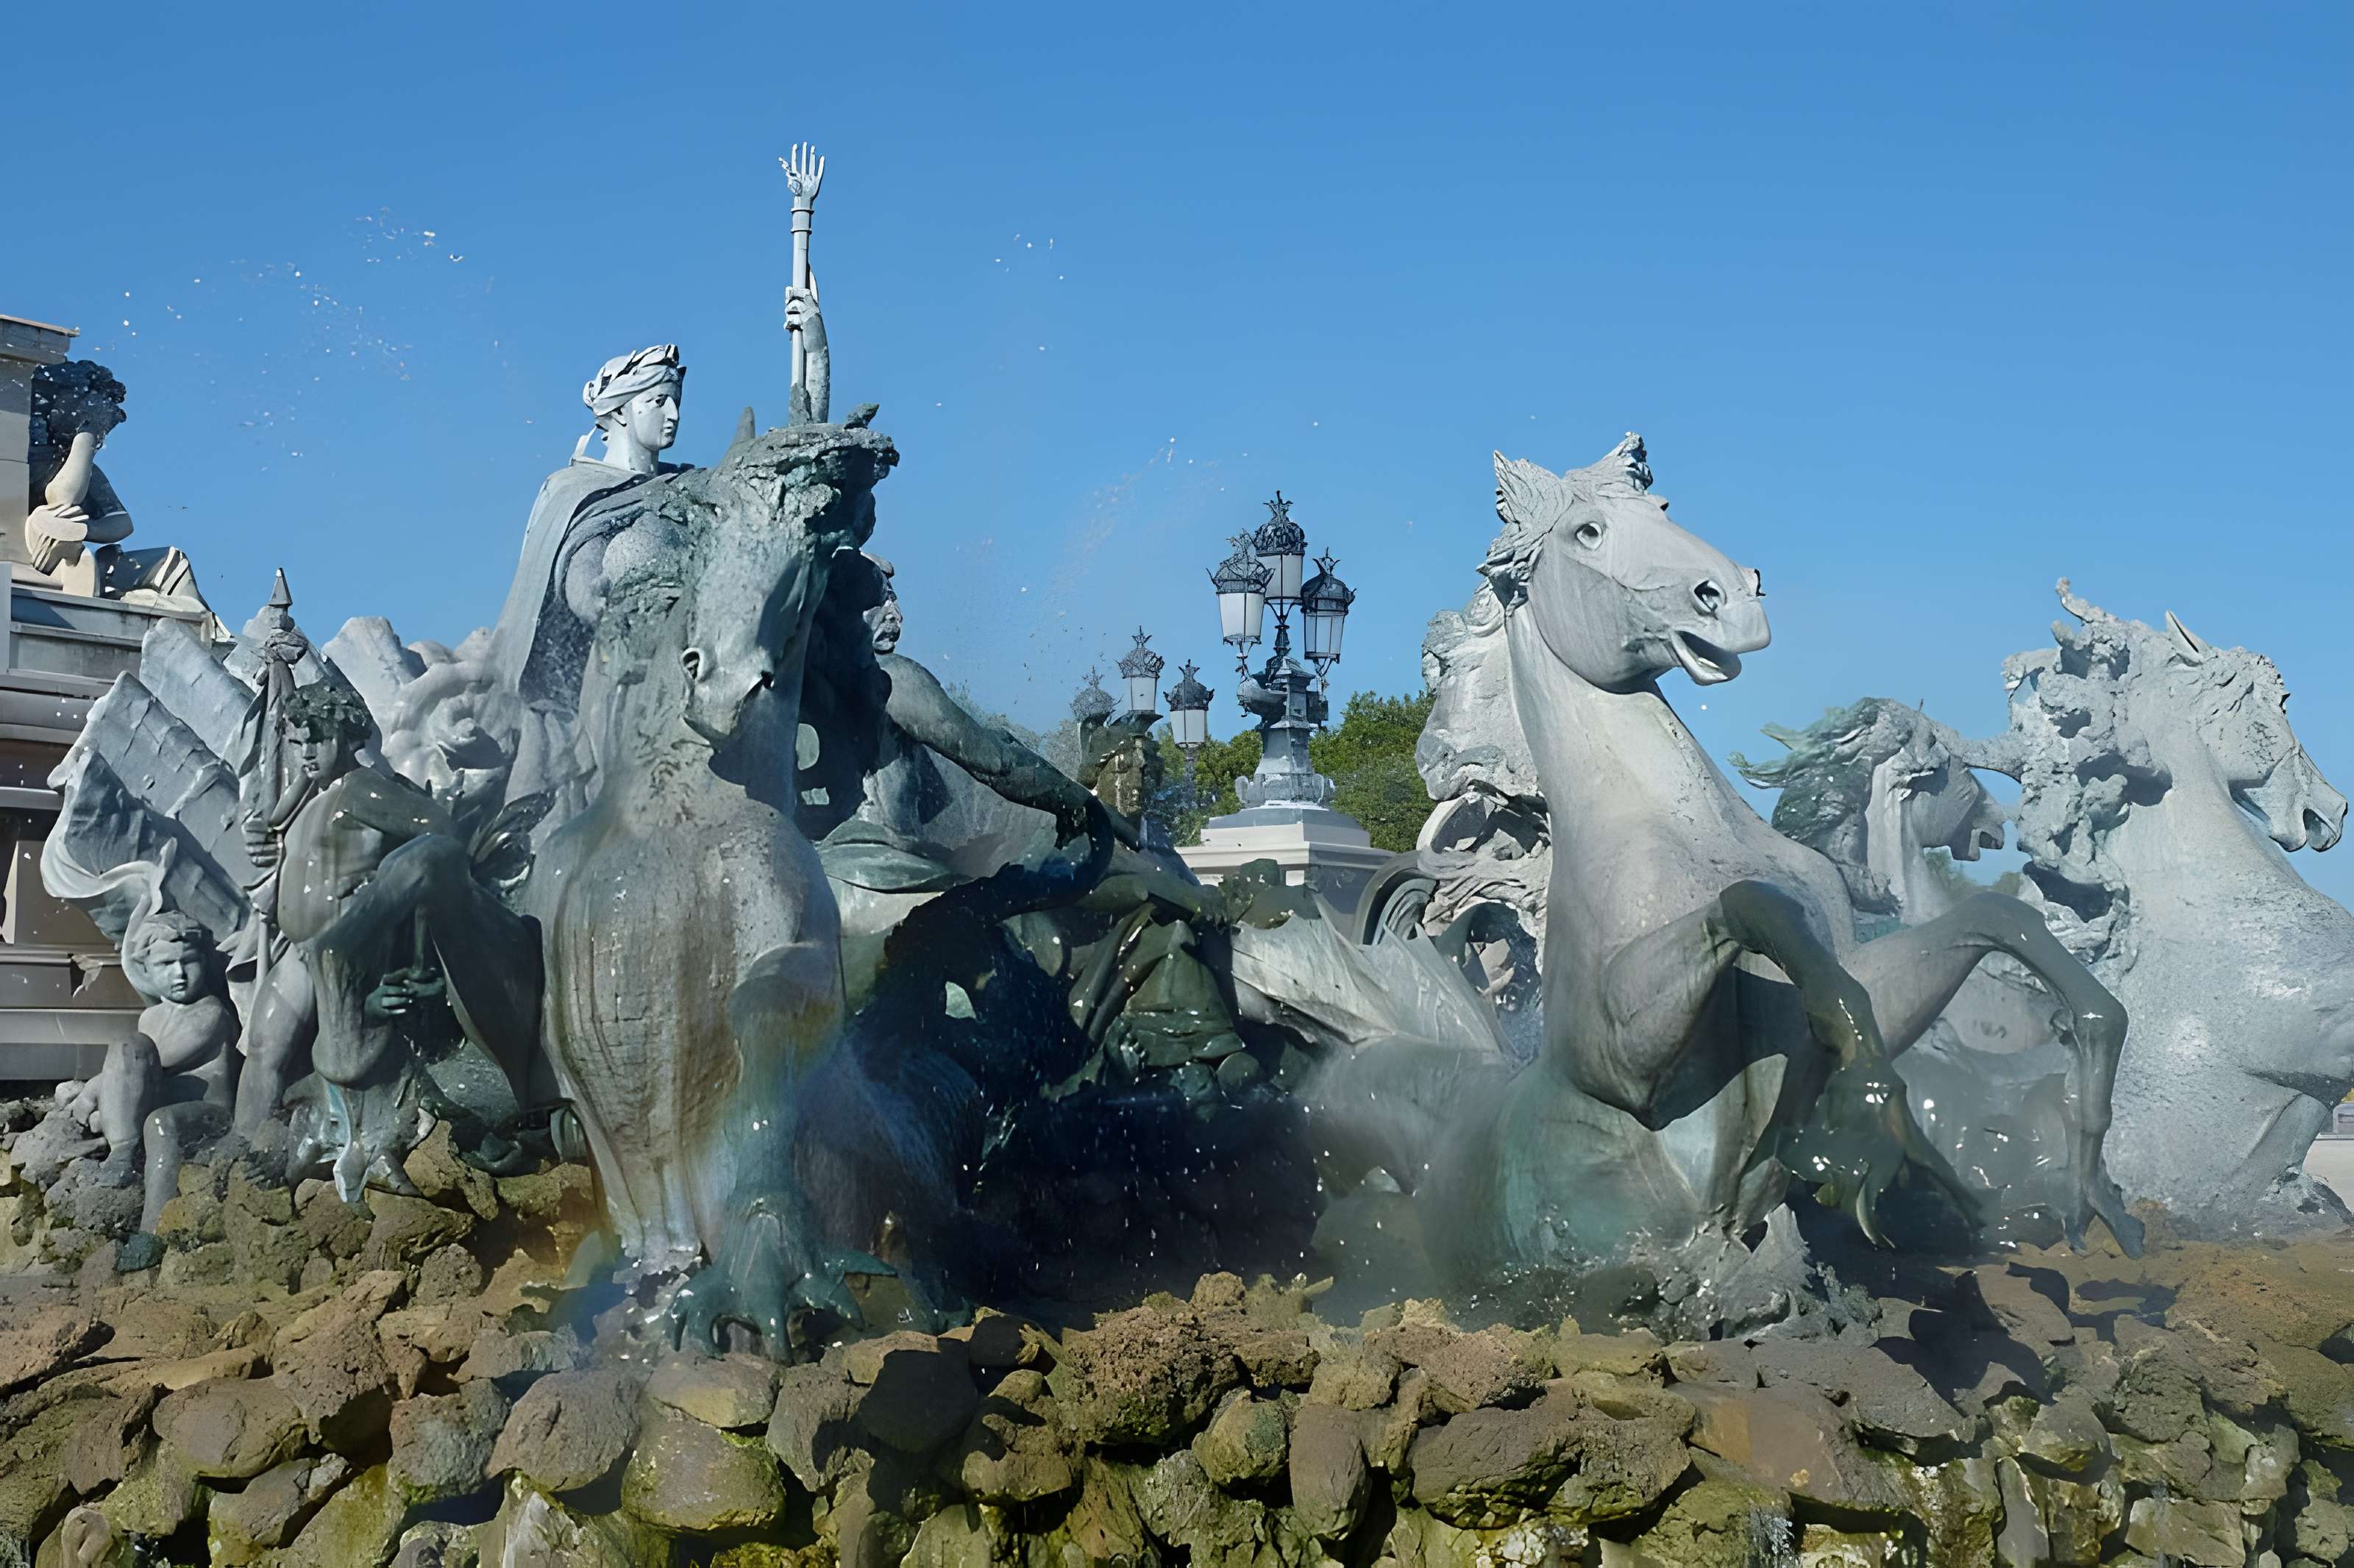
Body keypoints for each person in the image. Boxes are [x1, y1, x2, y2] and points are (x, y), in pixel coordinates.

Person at [232, 682, 540, 1196]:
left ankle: (373, 1141)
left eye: (319, 739)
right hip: (301, 952)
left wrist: (386, 896)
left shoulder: (364, 790)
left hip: (353, 952)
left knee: (343, 1056)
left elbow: (437, 830)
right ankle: (248, 1150)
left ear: (348, 734)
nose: (306, 751)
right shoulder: (311, 800)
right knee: (264, 1048)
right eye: (298, 741)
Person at [22, 360, 222, 635]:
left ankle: (205, 641)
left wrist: (86, 529)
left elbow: (122, 524)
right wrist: (87, 433)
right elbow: (62, 500)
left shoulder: (83, 469)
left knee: (171, 561)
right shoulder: (23, 457)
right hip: (33, 571)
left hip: (78, 566)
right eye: (82, 403)